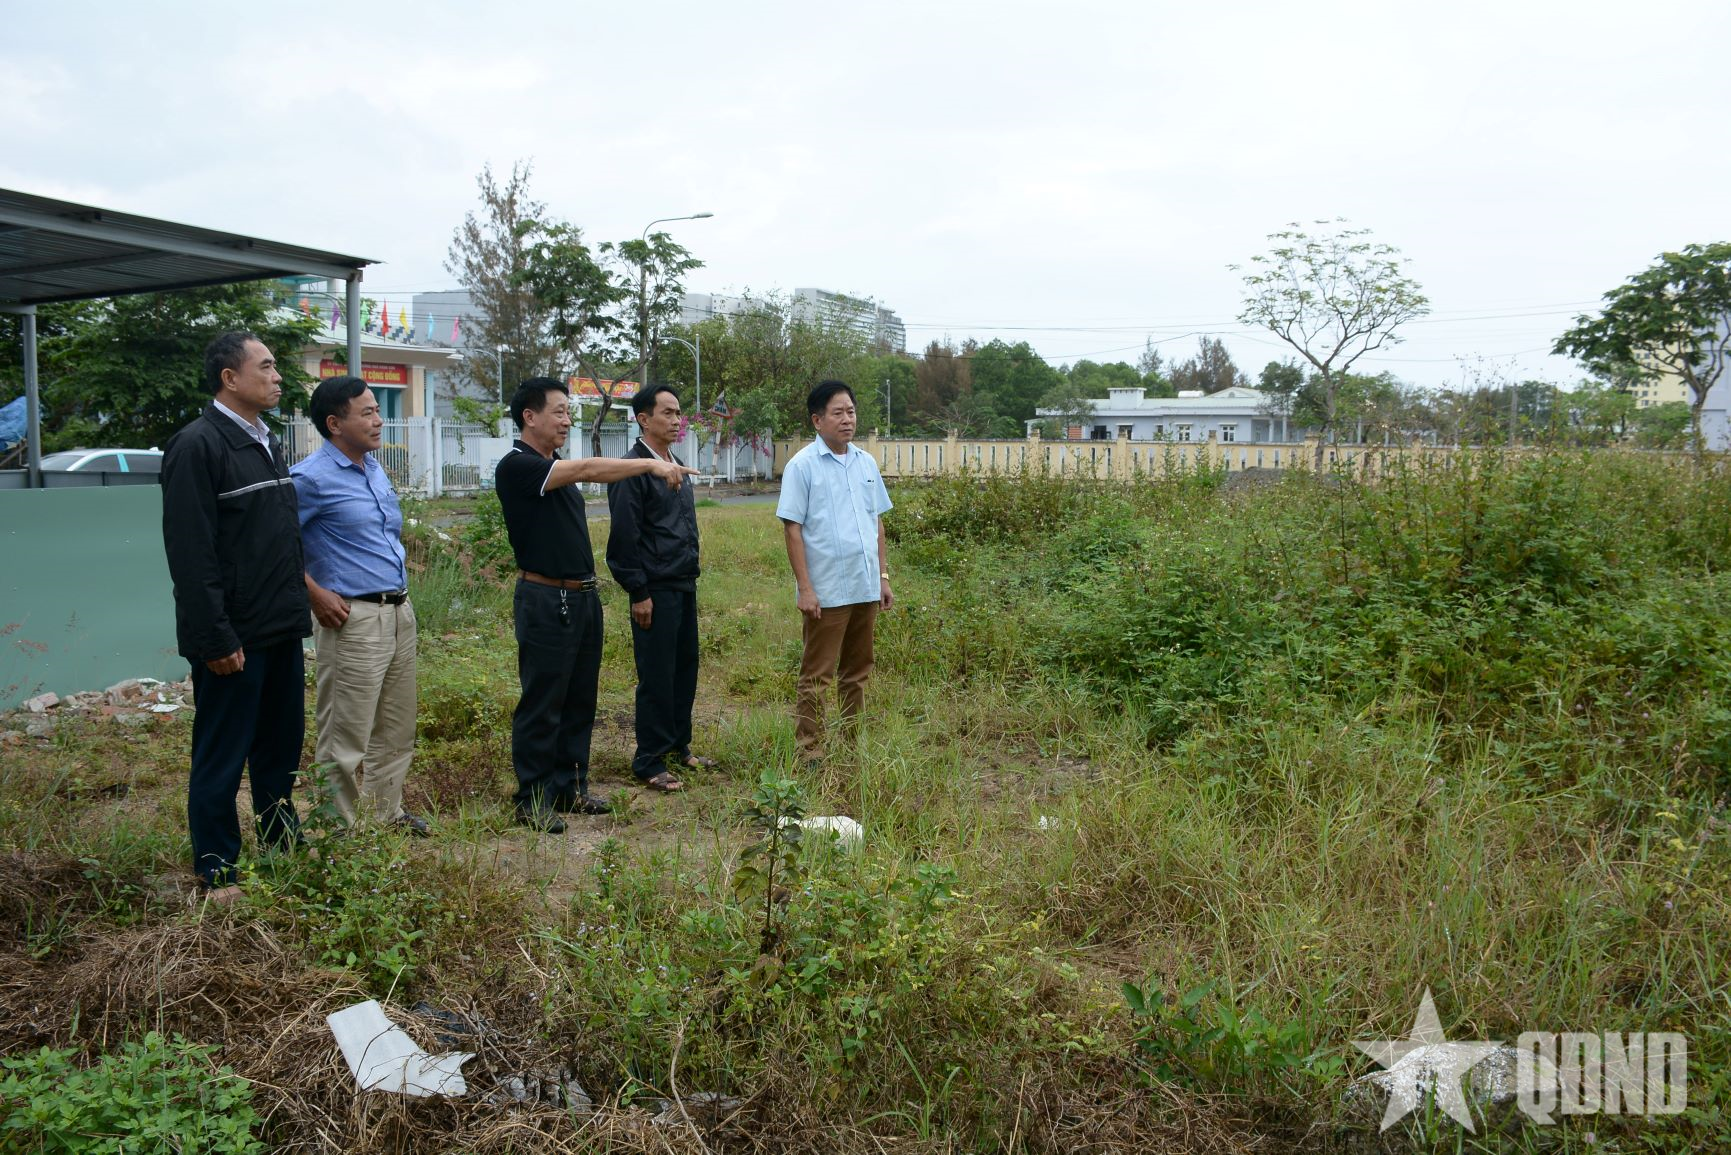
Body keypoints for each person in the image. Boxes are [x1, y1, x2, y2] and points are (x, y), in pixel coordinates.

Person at [495, 378, 697, 832]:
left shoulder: (556, 463)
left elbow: (593, 471)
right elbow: (590, 470)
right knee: (543, 700)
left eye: (569, 412)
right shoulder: (518, 466)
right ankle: (532, 799)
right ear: (529, 417)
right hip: (547, 598)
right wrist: (647, 466)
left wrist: (649, 466)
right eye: (559, 411)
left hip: (582, 595)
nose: (568, 420)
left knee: (579, 698)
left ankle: (570, 787)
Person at [161, 331, 309, 900]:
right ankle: (217, 866)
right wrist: (215, 637)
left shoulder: (266, 442)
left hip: (279, 627)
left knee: (279, 748)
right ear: (230, 378)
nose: (277, 376)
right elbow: (191, 554)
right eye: (267, 367)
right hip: (233, 638)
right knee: (222, 753)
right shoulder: (197, 446)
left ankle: (281, 842)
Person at [291, 375, 427, 836]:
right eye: (366, 412)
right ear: (334, 423)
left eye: (376, 409)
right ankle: (339, 830)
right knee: (345, 733)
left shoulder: (373, 468)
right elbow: (277, 545)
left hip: (397, 613)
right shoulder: (309, 478)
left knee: (395, 726)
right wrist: (315, 593)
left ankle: (386, 814)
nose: (378, 419)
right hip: (352, 617)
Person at [776, 380, 893, 760]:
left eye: (851, 411)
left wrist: (883, 578)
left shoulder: (865, 463)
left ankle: (850, 744)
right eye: (838, 413)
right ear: (817, 420)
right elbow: (792, 528)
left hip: (864, 586)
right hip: (826, 591)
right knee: (817, 675)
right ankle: (809, 751)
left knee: (857, 672)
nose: (847, 420)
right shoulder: (802, 466)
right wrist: (805, 588)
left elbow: (876, 522)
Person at [606, 384, 709, 793]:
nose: (676, 419)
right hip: (655, 589)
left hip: (684, 583)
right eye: (667, 412)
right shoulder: (633, 468)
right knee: (656, 675)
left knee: (685, 669)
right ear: (643, 419)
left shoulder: (673, 462)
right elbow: (624, 537)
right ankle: (648, 758)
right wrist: (638, 591)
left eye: (679, 412)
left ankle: (678, 745)